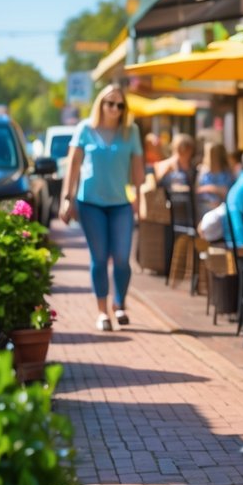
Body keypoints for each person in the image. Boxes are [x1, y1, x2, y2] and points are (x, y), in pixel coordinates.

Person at [59, 84, 145, 332]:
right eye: (110, 103)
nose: (115, 108)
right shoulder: (85, 128)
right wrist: (68, 198)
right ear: (100, 104)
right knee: (99, 257)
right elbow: (73, 166)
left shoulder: (131, 131)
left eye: (120, 105)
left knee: (121, 258)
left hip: (121, 204)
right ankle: (102, 312)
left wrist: (140, 199)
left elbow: (138, 170)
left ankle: (120, 302)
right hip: (91, 203)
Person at [195, 141, 234, 219]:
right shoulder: (203, 171)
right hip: (205, 208)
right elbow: (197, 190)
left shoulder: (227, 172)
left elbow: (227, 192)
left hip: (222, 209)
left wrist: (210, 188)